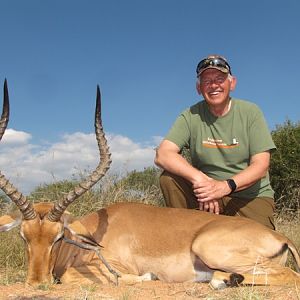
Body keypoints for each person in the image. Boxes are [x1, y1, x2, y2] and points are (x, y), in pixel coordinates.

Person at [155, 54, 276, 230]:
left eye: (220, 79)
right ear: (199, 88)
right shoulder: (190, 115)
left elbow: (261, 165)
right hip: (207, 196)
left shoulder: (251, 112)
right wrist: (202, 181)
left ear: (232, 83)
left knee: (259, 250)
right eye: (206, 81)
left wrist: (225, 187)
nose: (213, 85)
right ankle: (186, 236)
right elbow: (163, 154)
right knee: (169, 178)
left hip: (249, 196)